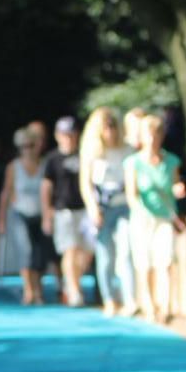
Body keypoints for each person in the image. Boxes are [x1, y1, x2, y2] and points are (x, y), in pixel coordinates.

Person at [124, 113, 186, 322]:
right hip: (142, 218)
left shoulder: (171, 161)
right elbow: (131, 195)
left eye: (157, 133)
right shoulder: (133, 163)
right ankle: (149, 305)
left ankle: (166, 306)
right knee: (145, 264)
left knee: (166, 260)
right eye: (149, 134)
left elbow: (175, 183)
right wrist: (141, 212)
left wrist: (178, 188)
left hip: (165, 217)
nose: (153, 138)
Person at [79, 107, 137, 316]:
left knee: (126, 249)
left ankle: (130, 298)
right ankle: (109, 298)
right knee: (105, 255)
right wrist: (93, 208)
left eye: (113, 126)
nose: (110, 131)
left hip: (124, 205)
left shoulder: (128, 149)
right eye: (106, 127)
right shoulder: (92, 153)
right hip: (102, 207)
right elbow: (85, 184)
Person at [41, 116, 92, 307]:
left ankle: (73, 282)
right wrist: (47, 213)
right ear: (57, 136)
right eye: (64, 134)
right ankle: (74, 290)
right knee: (69, 250)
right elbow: (46, 187)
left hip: (85, 210)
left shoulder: (85, 155)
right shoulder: (52, 159)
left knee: (86, 252)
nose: (68, 138)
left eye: (71, 134)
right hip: (63, 210)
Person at [0, 125, 46, 304]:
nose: (28, 150)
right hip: (19, 213)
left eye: (31, 145)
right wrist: (1, 219)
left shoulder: (44, 164)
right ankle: (29, 290)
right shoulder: (13, 167)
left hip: (40, 214)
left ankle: (38, 289)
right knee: (26, 250)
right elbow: (6, 193)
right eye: (24, 146)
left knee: (39, 253)